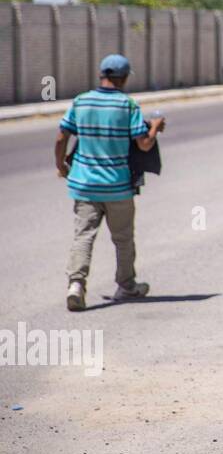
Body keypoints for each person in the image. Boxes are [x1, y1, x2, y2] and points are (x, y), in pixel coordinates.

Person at [56, 54, 165, 312]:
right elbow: (144, 143)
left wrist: (61, 165)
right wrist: (156, 127)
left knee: (83, 236)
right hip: (118, 186)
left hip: (84, 185)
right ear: (124, 78)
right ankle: (126, 285)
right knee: (123, 238)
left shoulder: (81, 101)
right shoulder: (128, 106)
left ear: (101, 75)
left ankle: (76, 285)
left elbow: (61, 137)